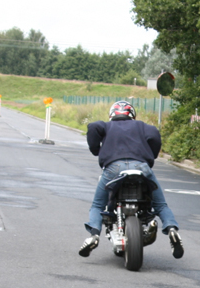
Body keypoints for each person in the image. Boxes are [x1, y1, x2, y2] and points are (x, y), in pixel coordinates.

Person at [79, 101, 184, 259]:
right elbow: (154, 134)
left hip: (113, 168)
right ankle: (171, 230)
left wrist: (96, 150)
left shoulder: (107, 126)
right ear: (132, 115)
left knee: (97, 205)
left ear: (112, 115)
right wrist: (151, 155)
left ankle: (94, 235)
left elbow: (93, 127)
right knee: (161, 205)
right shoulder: (142, 126)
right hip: (141, 167)